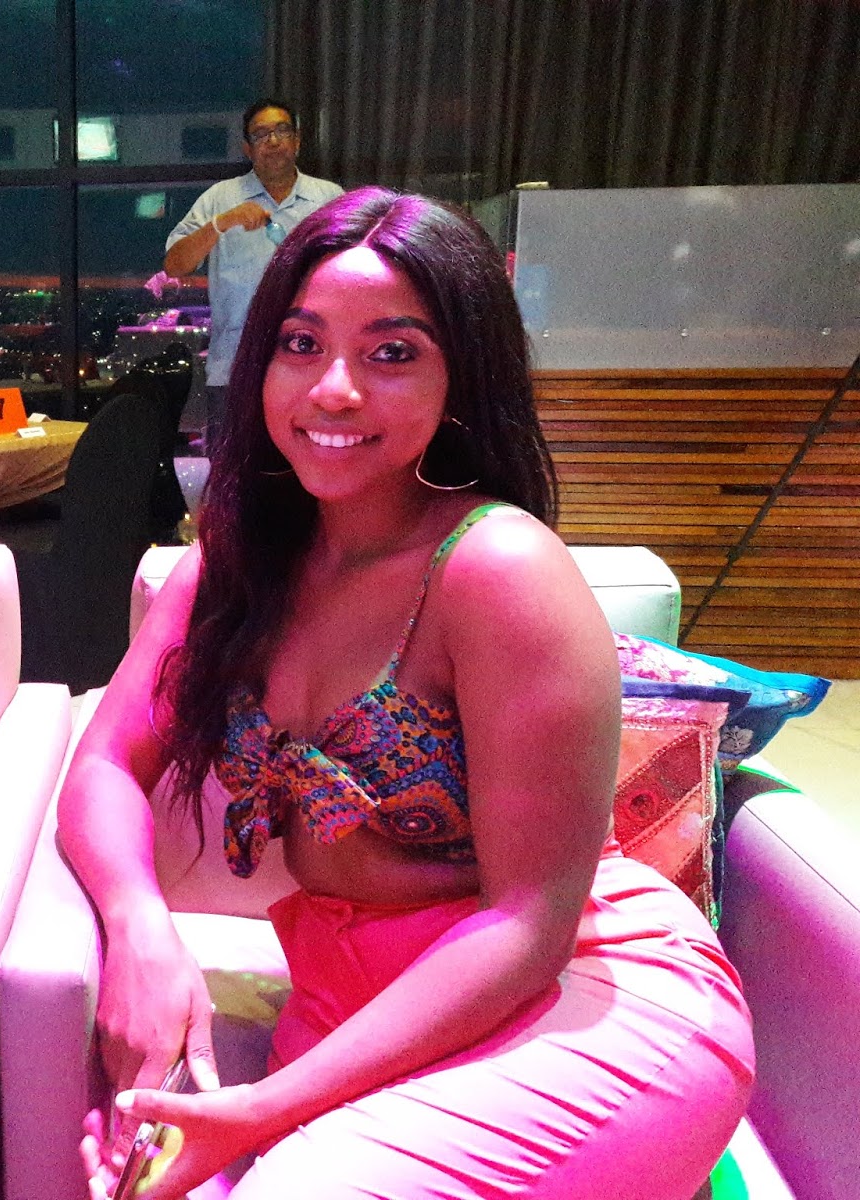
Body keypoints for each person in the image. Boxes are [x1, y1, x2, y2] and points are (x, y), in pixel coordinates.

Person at [66, 188, 754, 1199]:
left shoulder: (495, 568)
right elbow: (104, 763)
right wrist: (136, 927)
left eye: (391, 353)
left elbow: (528, 925)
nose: (333, 389)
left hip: (574, 998)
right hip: (349, 1004)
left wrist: (265, 1108)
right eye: (301, 343)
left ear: (459, 377)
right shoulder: (233, 565)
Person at [163, 100, 342, 450]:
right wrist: (221, 223)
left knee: (309, 467)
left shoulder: (328, 198)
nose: (272, 141)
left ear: (297, 141)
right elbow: (175, 264)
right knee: (231, 470)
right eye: (261, 134)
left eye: (281, 131)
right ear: (247, 148)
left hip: (312, 367)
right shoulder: (221, 198)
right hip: (235, 367)